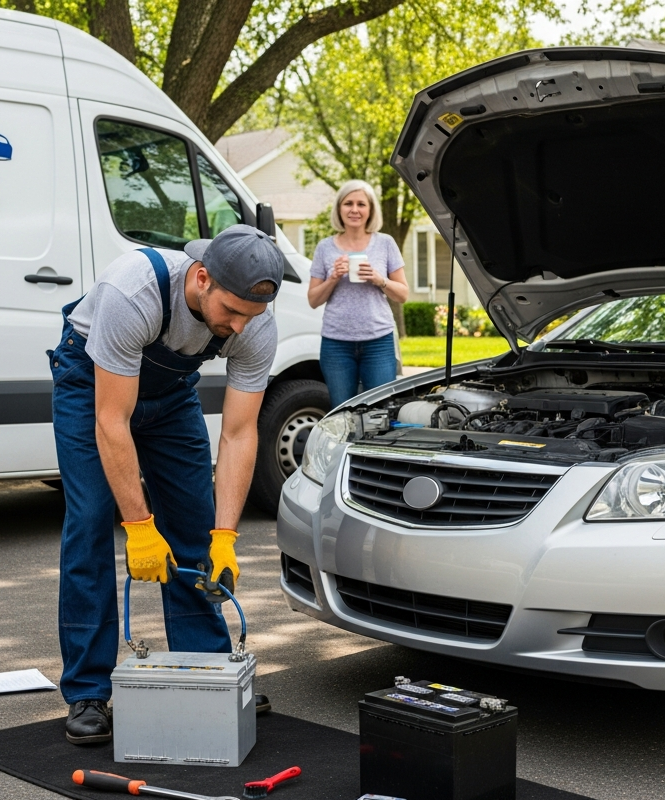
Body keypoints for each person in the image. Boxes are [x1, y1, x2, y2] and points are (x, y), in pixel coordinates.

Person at [48, 224, 283, 745]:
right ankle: (87, 691)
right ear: (202, 278)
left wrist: (225, 536)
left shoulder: (255, 326)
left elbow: (241, 434)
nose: (242, 328)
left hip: (171, 395)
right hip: (91, 387)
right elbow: (112, 422)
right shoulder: (133, 291)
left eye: (253, 316)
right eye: (233, 313)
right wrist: (137, 525)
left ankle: (206, 669)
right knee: (89, 524)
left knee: (194, 526)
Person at [308, 180, 410, 408]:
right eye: (348, 204)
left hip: (378, 341)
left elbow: (403, 294)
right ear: (339, 209)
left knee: (380, 410)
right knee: (342, 412)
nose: (354, 209)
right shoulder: (325, 247)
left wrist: (379, 279)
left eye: (361, 204)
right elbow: (313, 299)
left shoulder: (385, 243)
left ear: (370, 210)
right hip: (336, 344)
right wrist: (333, 277)